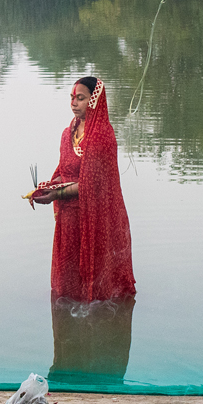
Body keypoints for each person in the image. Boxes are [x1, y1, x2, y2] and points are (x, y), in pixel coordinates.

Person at [31, 76, 135, 302]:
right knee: (68, 283)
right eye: (72, 98)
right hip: (69, 218)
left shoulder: (101, 136)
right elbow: (64, 169)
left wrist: (55, 194)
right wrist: (45, 188)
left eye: (80, 98)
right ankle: (69, 317)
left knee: (94, 287)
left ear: (94, 100)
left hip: (93, 217)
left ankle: (98, 320)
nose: (74, 103)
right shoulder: (68, 132)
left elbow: (91, 184)